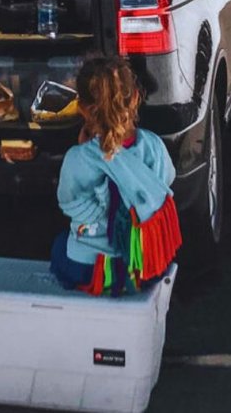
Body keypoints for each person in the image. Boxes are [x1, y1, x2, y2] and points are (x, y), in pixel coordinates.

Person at [50, 57, 181, 295]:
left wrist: (84, 151)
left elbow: (67, 201)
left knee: (60, 245)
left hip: (88, 268)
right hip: (145, 268)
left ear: (82, 109)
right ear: (135, 99)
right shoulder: (154, 146)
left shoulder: (77, 158)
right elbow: (167, 179)